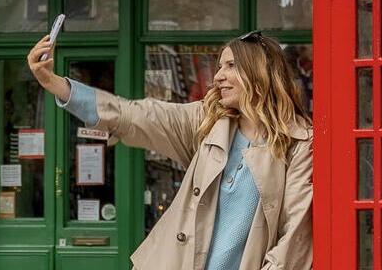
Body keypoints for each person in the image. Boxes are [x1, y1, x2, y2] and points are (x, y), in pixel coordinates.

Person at [27, 31, 313, 270]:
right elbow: (132, 115)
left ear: (259, 72)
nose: (218, 77)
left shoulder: (297, 142)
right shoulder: (206, 122)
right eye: (219, 67)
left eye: (230, 66)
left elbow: (294, 238)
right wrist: (54, 84)